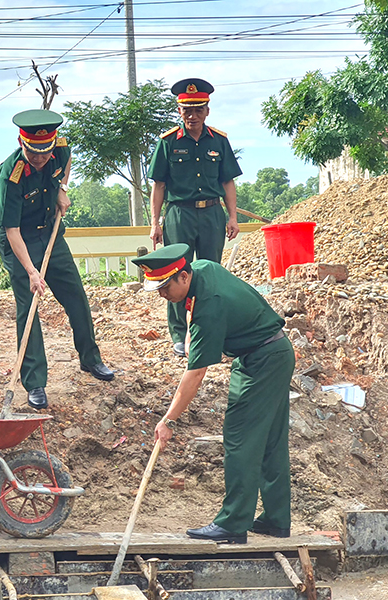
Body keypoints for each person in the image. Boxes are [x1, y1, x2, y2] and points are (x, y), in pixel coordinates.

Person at [134, 243, 294, 544]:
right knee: (271, 439)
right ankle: (276, 519)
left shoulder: (210, 306)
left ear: (183, 276)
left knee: (240, 439)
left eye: (165, 287)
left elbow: (195, 375)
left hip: (261, 361)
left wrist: (168, 420)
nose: (162, 295)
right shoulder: (204, 268)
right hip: (271, 352)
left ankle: (233, 524)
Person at [0, 109, 113, 410]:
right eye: (33, 153)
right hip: (19, 243)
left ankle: (91, 359)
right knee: (30, 309)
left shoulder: (58, 150)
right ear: (22, 144)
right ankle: (34, 382)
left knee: (76, 297)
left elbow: (67, 158)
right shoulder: (10, 175)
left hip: (50, 235)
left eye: (44, 152)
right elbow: (11, 230)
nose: (40, 158)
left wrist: (62, 189)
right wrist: (32, 272)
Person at [148, 78, 242, 357]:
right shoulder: (167, 143)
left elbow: (228, 183)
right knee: (176, 271)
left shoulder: (220, 141)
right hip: (179, 214)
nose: (192, 115)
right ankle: (179, 334)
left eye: (198, 109)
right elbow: (159, 186)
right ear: (179, 110)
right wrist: (155, 223)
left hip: (213, 213)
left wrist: (232, 217)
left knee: (210, 272)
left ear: (207, 111)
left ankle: (209, 329)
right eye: (187, 110)